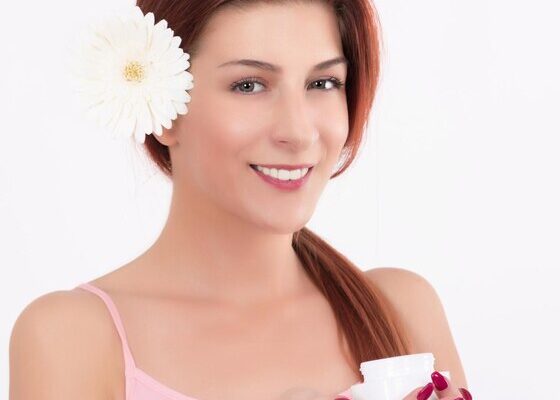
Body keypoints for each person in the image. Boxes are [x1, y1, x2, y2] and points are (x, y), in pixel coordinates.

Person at [9, 1, 472, 399]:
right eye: (249, 85)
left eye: (323, 83)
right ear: (163, 111)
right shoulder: (72, 337)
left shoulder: (400, 311)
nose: (298, 131)